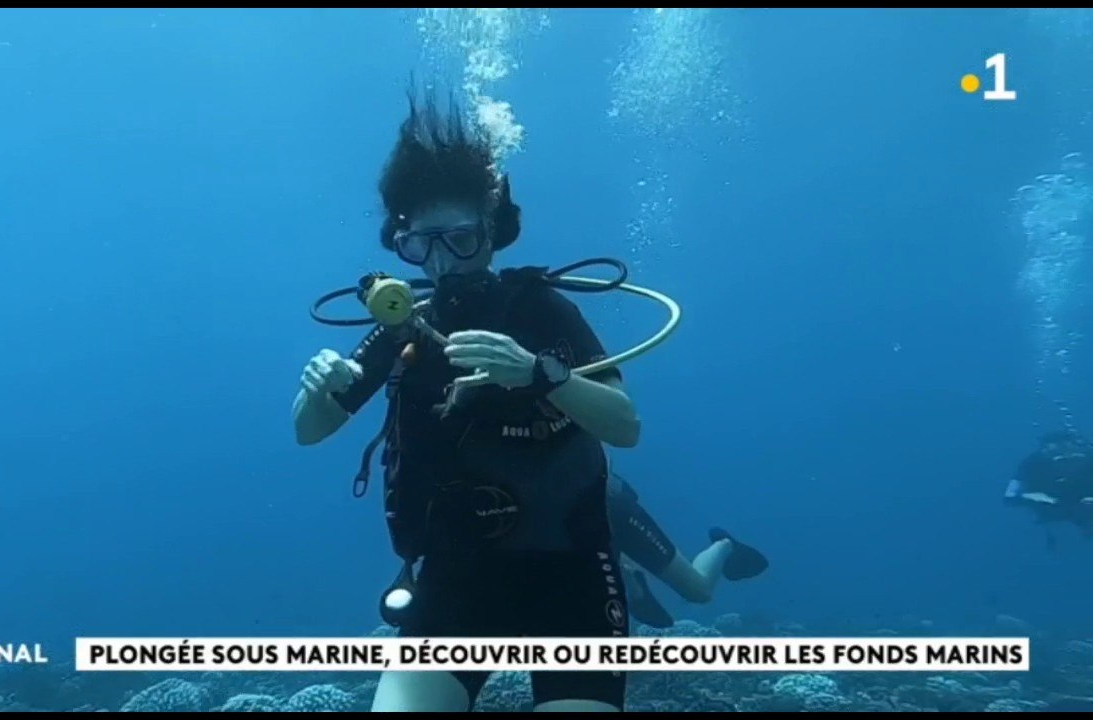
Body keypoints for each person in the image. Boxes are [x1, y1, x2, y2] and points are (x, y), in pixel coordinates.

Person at [293, 89, 642, 712]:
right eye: (420, 245)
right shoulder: (402, 327)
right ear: (399, 246)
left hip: (572, 571)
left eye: (460, 240)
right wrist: (315, 392)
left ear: (493, 232)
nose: (441, 262)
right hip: (458, 574)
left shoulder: (540, 307)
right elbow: (310, 431)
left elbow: (624, 425)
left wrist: (543, 373)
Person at [606, 468, 768, 630]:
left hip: (612, 509)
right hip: (595, 514)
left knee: (698, 591)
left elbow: (628, 441)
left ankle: (725, 545)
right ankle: (632, 580)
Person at [1004, 430, 1093, 539]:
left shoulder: (1089, 459)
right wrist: (1032, 496)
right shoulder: (1031, 463)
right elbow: (1009, 497)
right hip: (1051, 510)